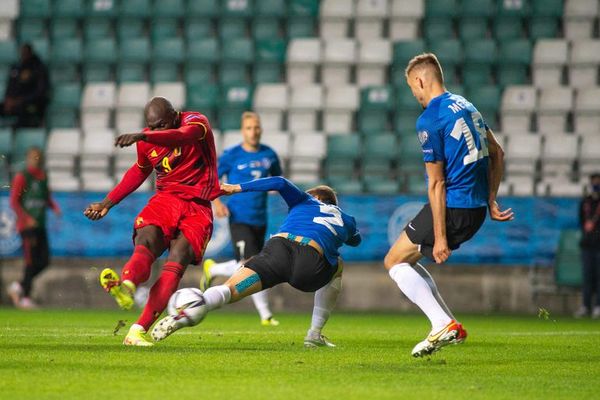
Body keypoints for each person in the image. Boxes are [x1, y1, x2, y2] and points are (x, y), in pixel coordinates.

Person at [384, 53, 514, 358]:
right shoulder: (468, 106)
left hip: (453, 205)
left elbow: (436, 183)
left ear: (419, 80)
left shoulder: (430, 118)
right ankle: (450, 325)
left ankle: (441, 323)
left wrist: (440, 236)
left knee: (394, 261)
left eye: (412, 88)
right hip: (476, 210)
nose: (414, 95)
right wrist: (491, 198)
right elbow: (498, 153)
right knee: (407, 259)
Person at [151, 177, 361, 347]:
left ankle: (191, 308)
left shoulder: (305, 200)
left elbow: (280, 182)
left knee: (230, 290)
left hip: (278, 250)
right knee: (338, 265)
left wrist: (235, 187)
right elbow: (355, 240)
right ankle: (314, 334)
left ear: (314, 196)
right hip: (310, 266)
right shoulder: (347, 219)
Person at [84, 97, 219, 346]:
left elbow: (180, 137)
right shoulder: (146, 139)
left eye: (160, 125)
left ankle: (137, 331)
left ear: (174, 115)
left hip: (197, 206)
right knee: (146, 240)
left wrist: (145, 136)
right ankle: (127, 286)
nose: (155, 130)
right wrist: (107, 203)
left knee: (177, 260)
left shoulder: (197, 122)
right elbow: (139, 170)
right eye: (151, 126)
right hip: (165, 199)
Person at [202, 111, 282, 326]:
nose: (253, 132)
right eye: (249, 128)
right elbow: (212, 178)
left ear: (261, 129)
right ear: (242, 130)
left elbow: (277, 180)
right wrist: (217, 202)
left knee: (249, 265)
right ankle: (266, 315)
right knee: (250, 263)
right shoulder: (232, 155)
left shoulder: (270, 155)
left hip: (260, 217)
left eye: (256, 127)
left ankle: (215, 269)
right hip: (238, 216)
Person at [7, 147, 61, 309]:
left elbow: (46, 197)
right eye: (32, 157)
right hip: (27, 226)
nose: (35, 160)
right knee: (30, 261)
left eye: (38, 157)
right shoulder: (22, 176)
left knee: (44, 260)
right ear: (28, 158)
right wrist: (26, 218)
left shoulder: (43, 176)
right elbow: (14, 202)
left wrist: (54, 208)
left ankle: (19, 287)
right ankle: (25, 296)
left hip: (40, 223)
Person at [0, 43, 49, 127]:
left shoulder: (38, 68)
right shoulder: (17, 67)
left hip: (31, 103)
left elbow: (40, 91)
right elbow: (10, 85)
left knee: (24, 110)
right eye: (22, 53)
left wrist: (21, 100)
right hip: (15, 102)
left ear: (30, 53)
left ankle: (18, 132)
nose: (23, 55)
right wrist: (8, 99)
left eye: (25, 53)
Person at [574, 173, 600, 318]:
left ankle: (598, 306)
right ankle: (585, 305)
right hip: (587, 245)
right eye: (594, 182)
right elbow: (581, 220)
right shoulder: (586, 201)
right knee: (587, 276)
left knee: (598, 276)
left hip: (599, 245)